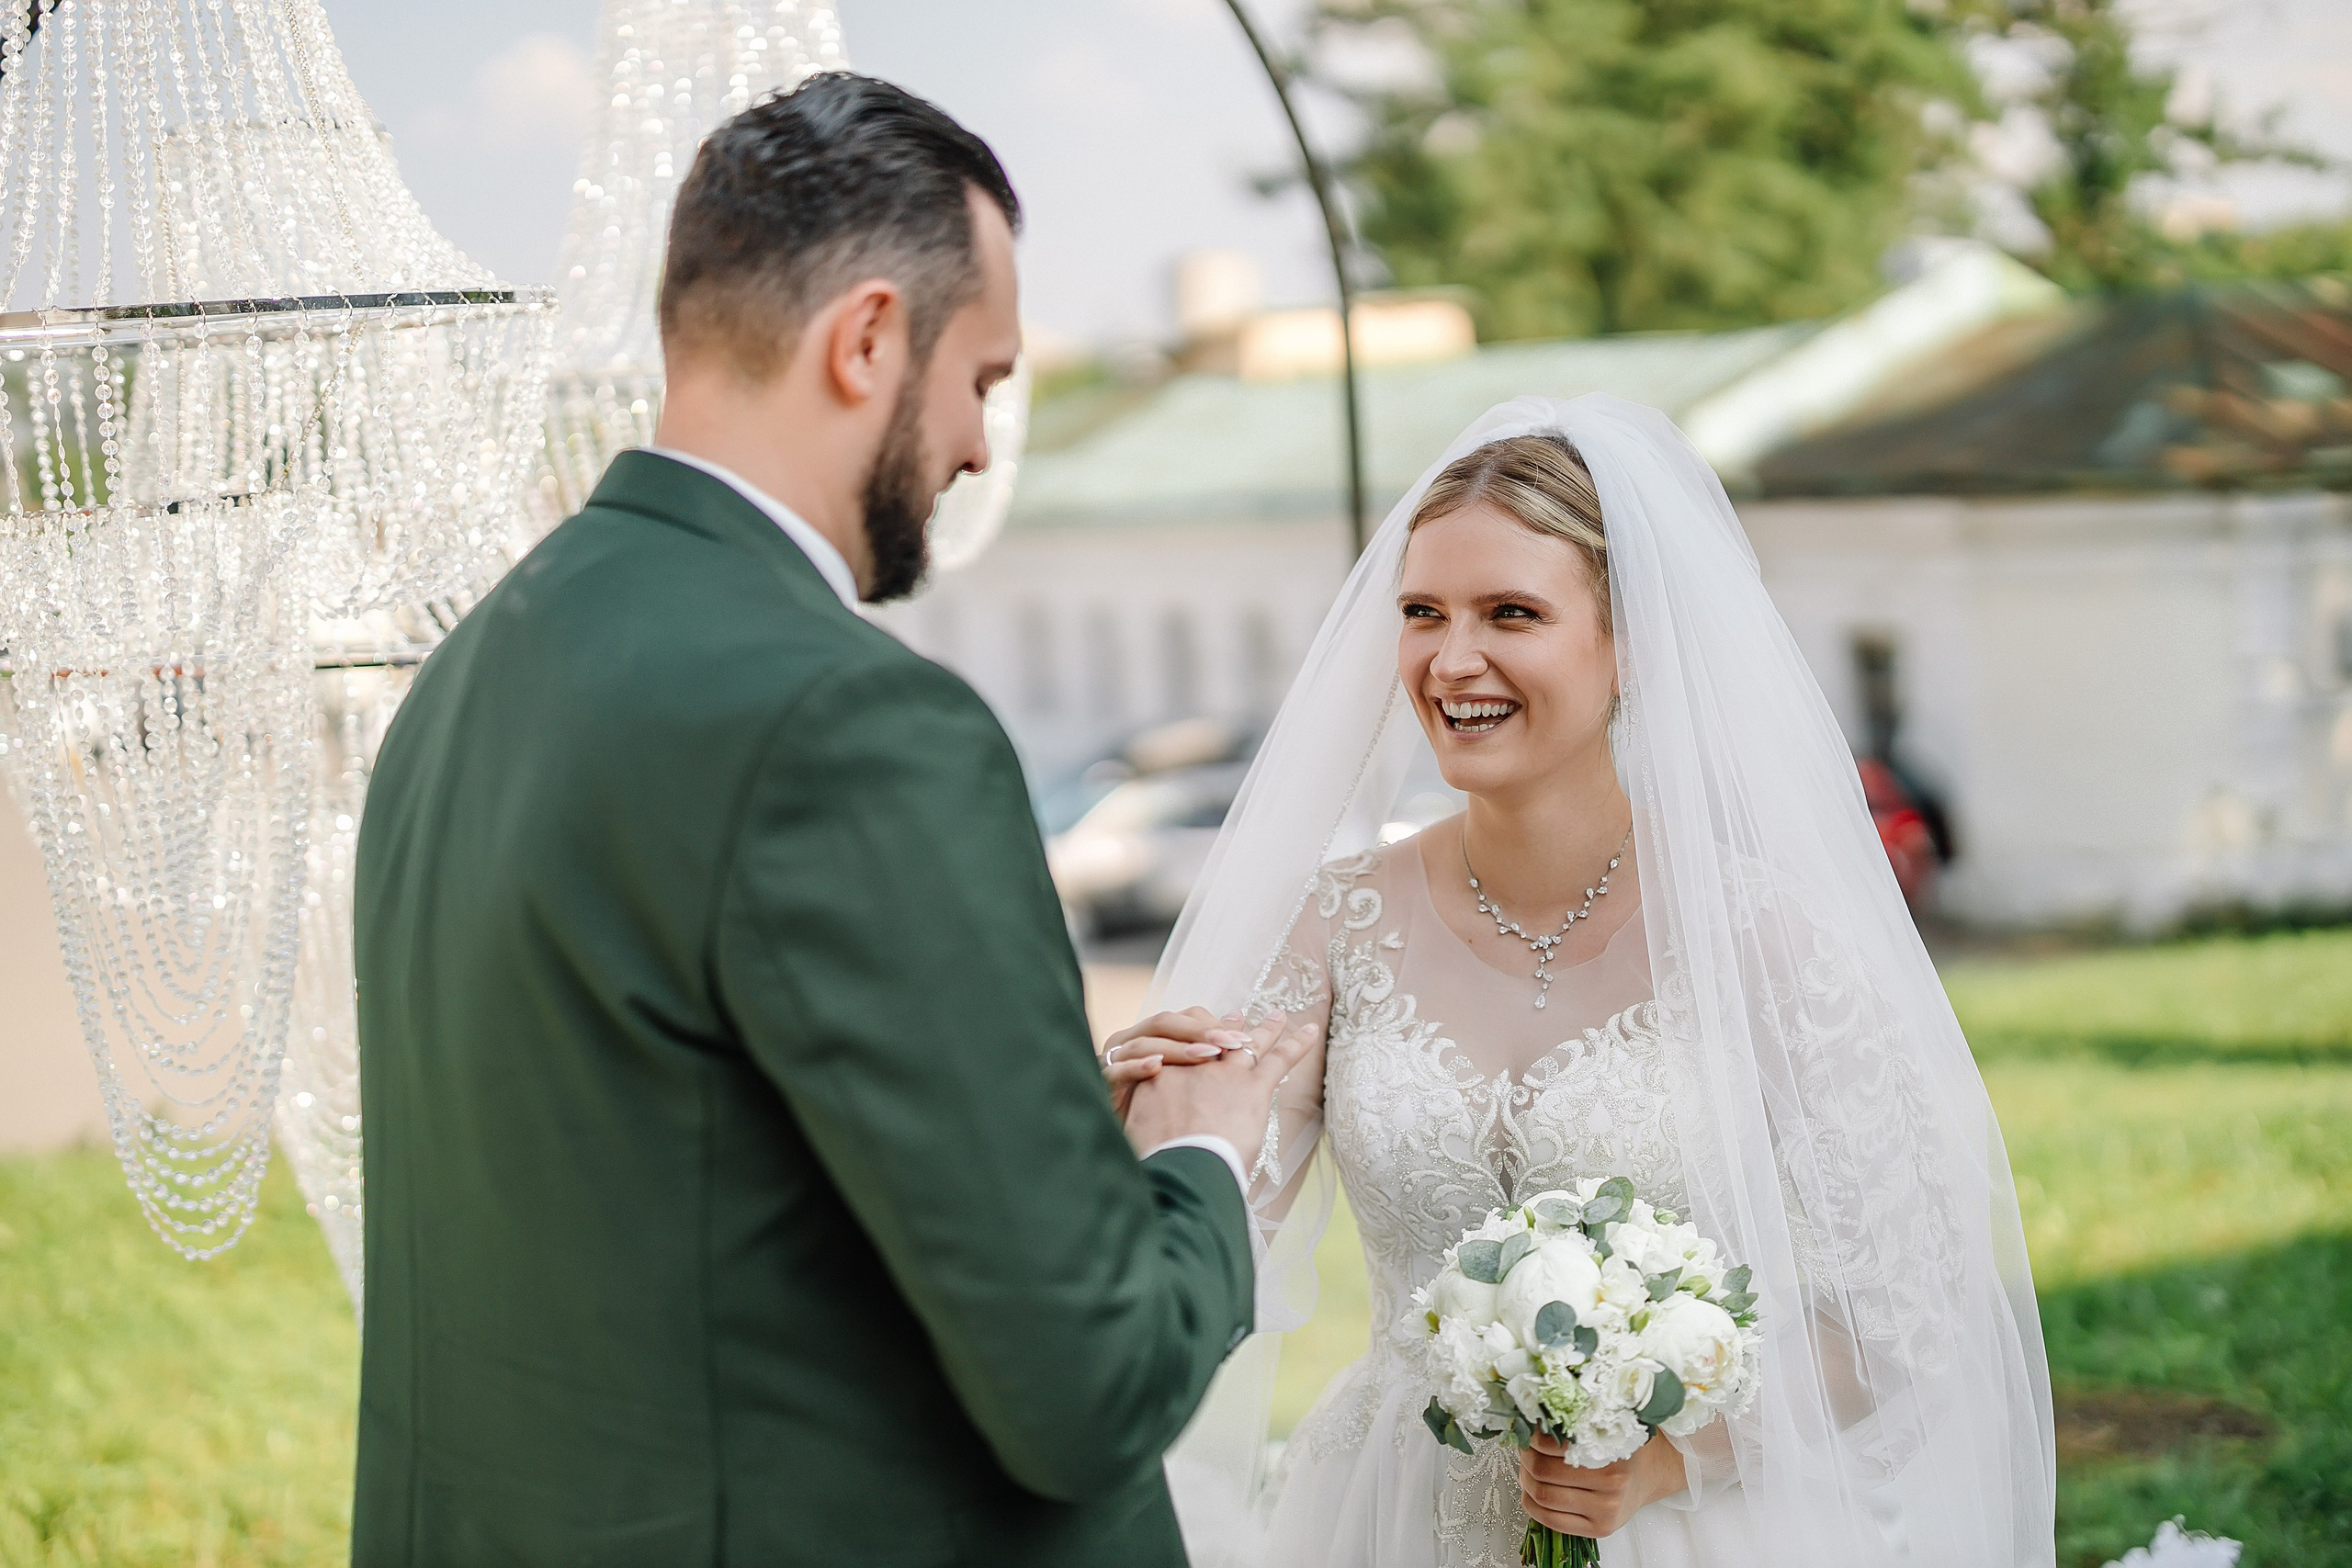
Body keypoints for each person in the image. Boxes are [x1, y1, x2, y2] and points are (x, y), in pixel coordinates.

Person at [351, 72, 1311, 1567]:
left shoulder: (478, 669)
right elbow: (1090, 1382)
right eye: (983, 380)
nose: (984, 446)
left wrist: (1036, 1126)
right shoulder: (850, 726)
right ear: (868, 338)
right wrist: (1204, 1159)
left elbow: (669, 1158)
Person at [1110, 398, 2057, 1567]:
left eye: (1510, 612)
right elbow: (1219, 1219)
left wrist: (1669, 1456)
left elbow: (1902, 1305)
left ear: (1628, 646)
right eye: (1422, 614)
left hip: (1688, 1525)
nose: (1452, 660)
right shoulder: (1333, 925)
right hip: (1393, 1518)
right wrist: (1142, 1141)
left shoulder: (1765, 937)